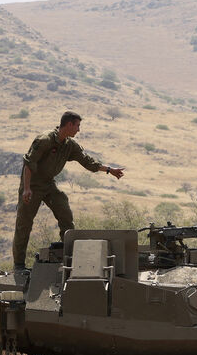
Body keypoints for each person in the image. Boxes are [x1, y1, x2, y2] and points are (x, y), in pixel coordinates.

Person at [12, 111, 125, 271]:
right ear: (69, 124)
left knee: (64, 212)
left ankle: (69, 257)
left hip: (49, 184)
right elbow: (29, 164)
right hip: (33, 185)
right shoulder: (45, 140)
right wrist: (27, 189)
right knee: (24, 224)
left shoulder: (69, 145)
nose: (78, 130)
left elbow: (88, 162)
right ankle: (18, 266)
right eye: (77, 125)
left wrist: (109, 170)